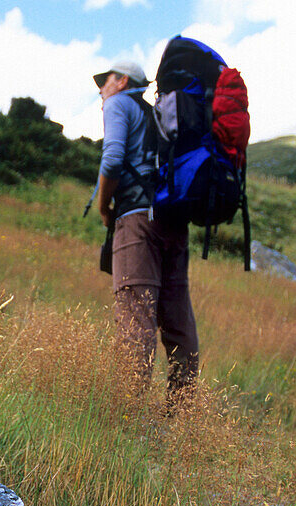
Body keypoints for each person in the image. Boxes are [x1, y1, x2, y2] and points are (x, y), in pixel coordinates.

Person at [91, 61, 199, 405]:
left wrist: (104, 208)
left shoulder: (119, 103)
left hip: (137, 222)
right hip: (174, 222)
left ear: (122, 81)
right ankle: (182, 413)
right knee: (178, 318)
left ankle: (128, 415)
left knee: (136, 317)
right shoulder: (159, 114)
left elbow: (112, 160)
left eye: (104, 81)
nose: (101, 89)